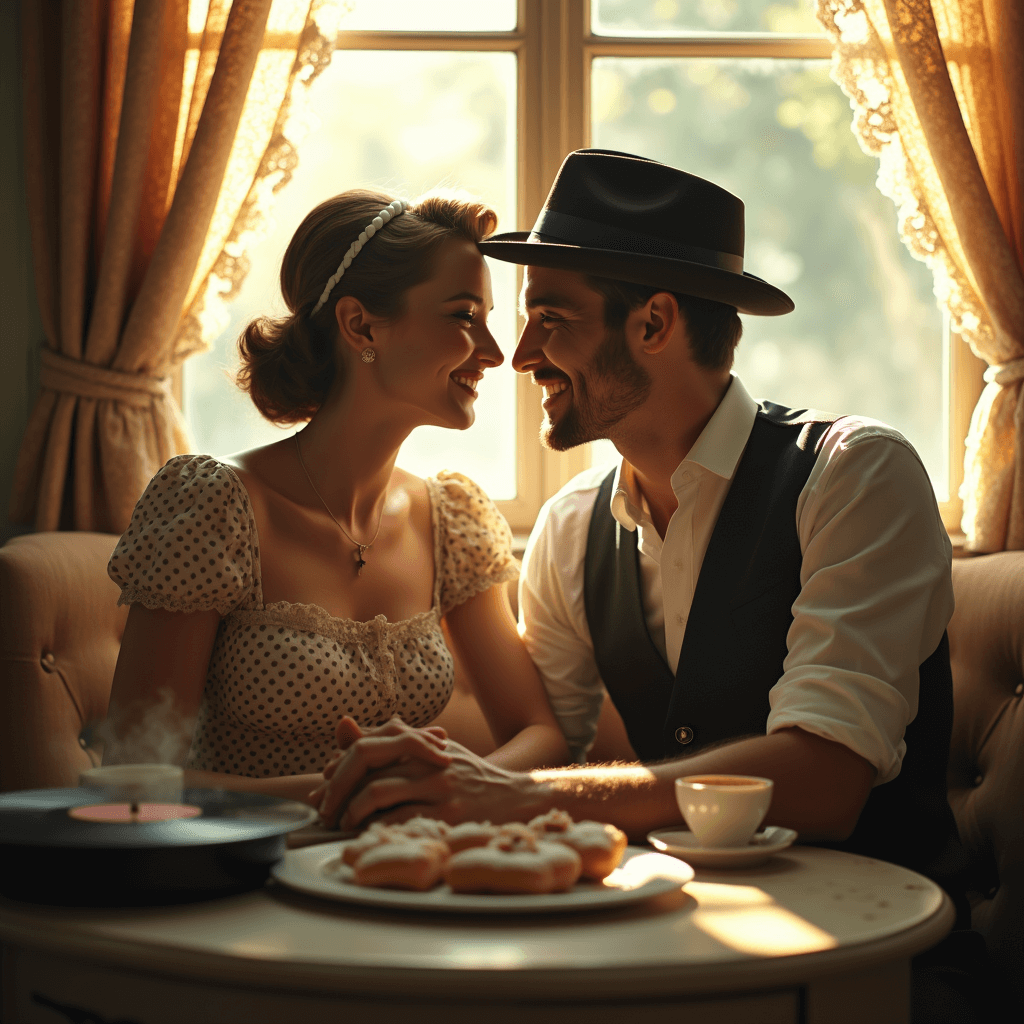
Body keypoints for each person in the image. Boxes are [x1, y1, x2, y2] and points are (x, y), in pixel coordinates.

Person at [313, 150, 967, 905]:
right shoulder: (569, 527)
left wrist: (510, 797)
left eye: (549, 319)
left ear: (654, 322)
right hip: (667, 934)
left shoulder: (856, 475)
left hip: (878, 949)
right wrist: (413, 772)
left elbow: (826, 781)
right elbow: (543, 750)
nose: (520, 357)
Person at [104, 188, 570, 803]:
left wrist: (452, 783)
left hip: (404, 873)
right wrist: (348, 792)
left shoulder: (451, 519)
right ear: (359, 324)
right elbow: (131, 776)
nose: (492, 352)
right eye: (464, 316)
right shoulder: (212, 509)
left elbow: (540, 734)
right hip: (244, 876)